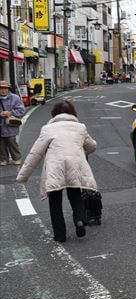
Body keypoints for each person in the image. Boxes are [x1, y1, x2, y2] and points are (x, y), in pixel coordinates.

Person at [16, 100, 97, 243]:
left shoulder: (48, 129)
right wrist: (80, 150)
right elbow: (91, 146)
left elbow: (35, 153)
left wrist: (23, 176)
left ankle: (60, 235)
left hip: (55, 168)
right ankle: (79, 220)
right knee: (75, 195)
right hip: (75, 165)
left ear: (54, 114)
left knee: (55, 201)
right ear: (72, 113)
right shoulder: (80, 127)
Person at [0, 81, 25, 165]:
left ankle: (16, 158)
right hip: (1, 125)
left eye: (5, 88)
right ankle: (3, 159)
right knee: (1, 143)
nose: (3, 90)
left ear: (8, 89)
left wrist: (10, 113)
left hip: (11, 125)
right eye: (1, 88)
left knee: (12, 141)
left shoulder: (15, 98)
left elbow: (21, 110)